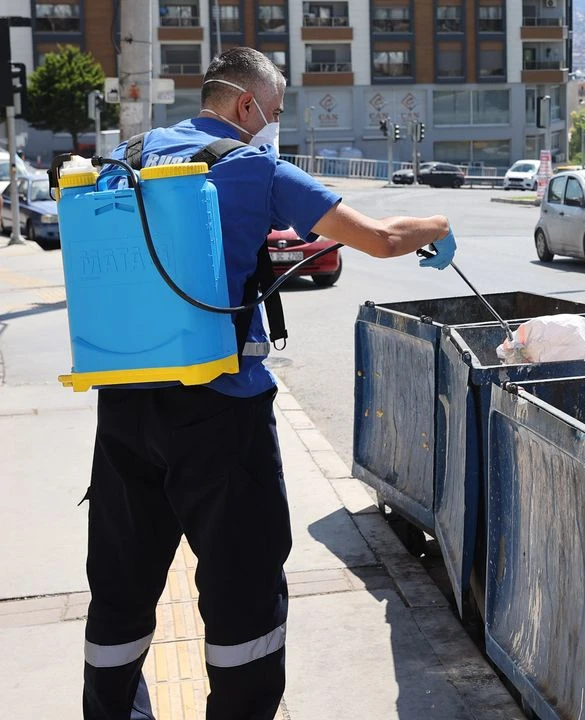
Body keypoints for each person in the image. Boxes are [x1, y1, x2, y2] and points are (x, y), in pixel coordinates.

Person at [80, 47, 454, 720]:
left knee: (122, 585)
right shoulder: (253, 165)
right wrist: (440, 226)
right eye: (273, 112)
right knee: (242, 589)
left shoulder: (129, 156)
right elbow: (380, 238)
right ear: (245, 105)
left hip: (125, 409)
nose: (273, 125)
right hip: (221, 416)